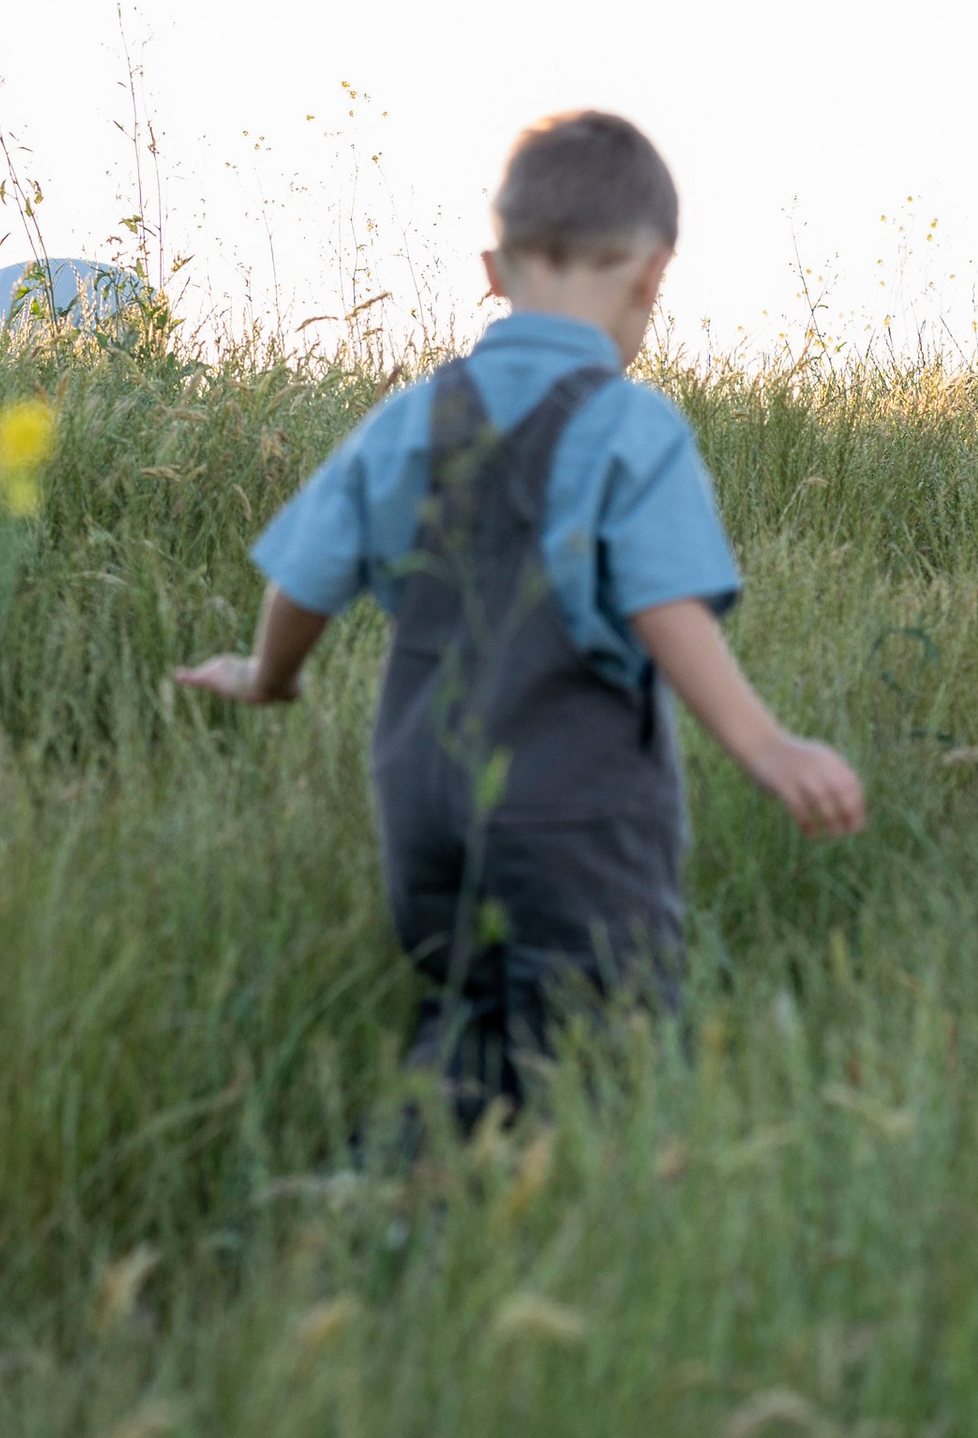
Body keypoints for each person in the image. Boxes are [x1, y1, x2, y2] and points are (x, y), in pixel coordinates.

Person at [172, 111, 864, 1124]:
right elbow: (666, 608)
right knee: (605, 1047)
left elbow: (305, 584)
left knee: (466, 1018)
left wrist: (263, 677)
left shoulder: (410, 416)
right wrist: (766, 748)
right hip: (577, 811)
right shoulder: (632, 424)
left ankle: (415, 1201)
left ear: (494, 269)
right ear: (651, 275)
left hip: (422, 801)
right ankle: (579, 1219)